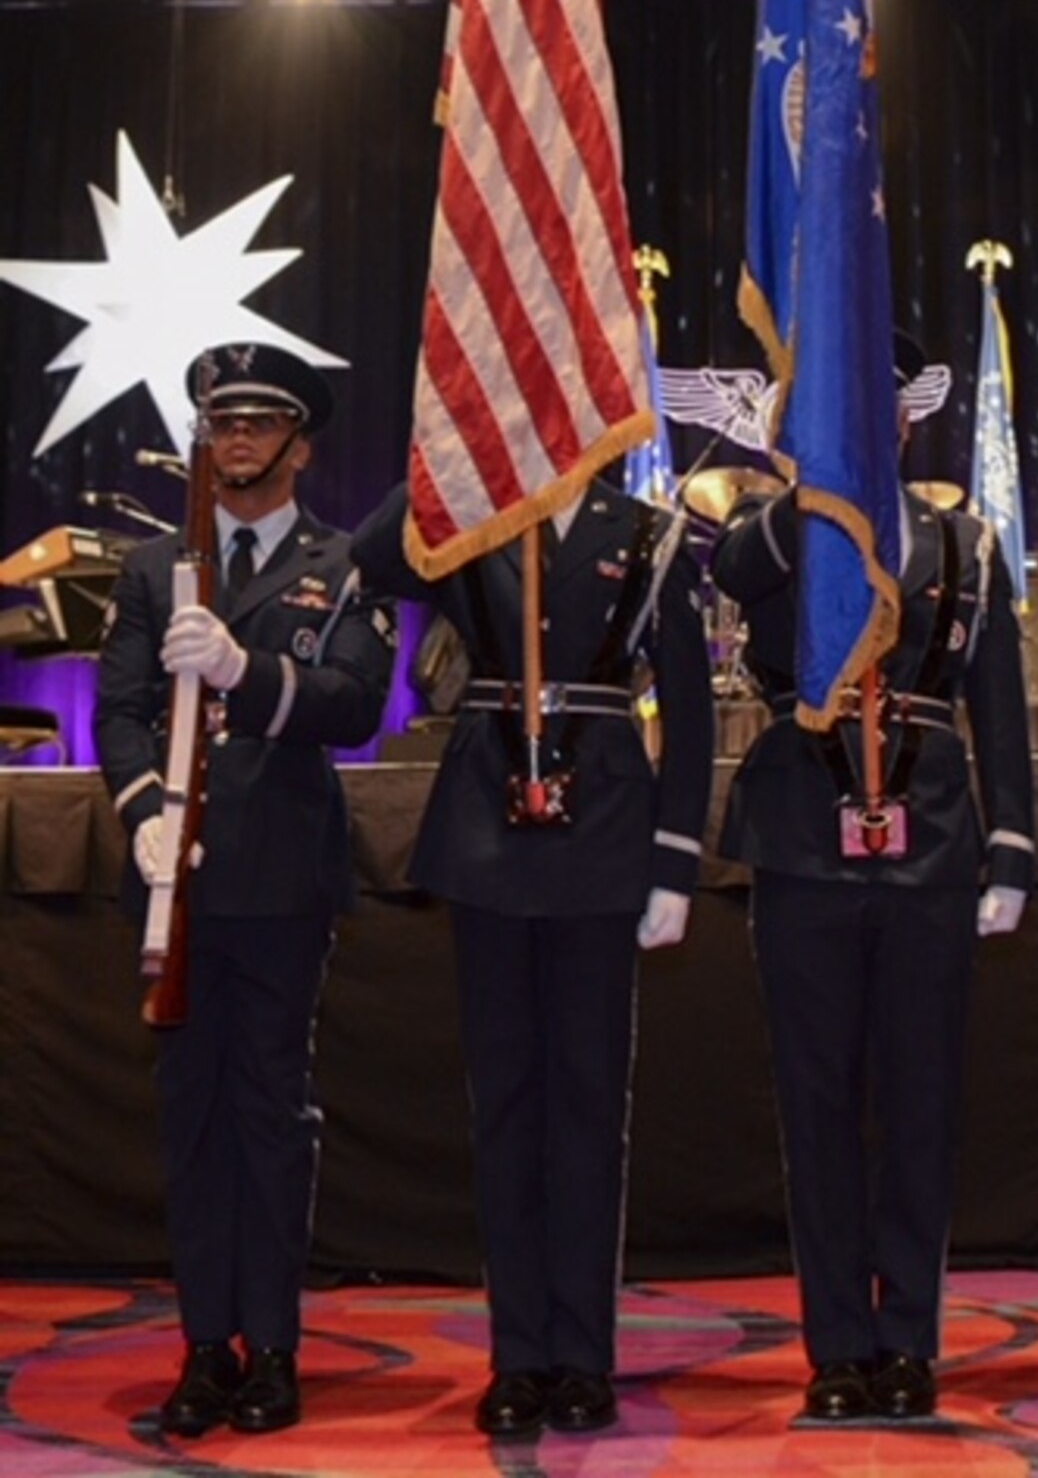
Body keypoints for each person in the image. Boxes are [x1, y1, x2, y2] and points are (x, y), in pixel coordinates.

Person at [711, 332, 1035, 1425]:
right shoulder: (777, 530)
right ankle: (838, 1339)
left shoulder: (962, 540)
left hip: (932, 832)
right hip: (805, 829)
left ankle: (909, 1338)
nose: (865, 425)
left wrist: (1013, 846)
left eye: (875, 408)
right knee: (817, 1103)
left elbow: (996, 705)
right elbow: (727, 573)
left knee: (920, 1101)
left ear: (906, 419)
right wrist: (805, 485)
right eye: (841, 408)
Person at [351, 473, 713, 1441]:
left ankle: (584, 1355)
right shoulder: (475, 507)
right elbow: (376, 558)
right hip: (487, 829)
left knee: (589, 1104)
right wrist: (445, 448)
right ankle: (519, 1355)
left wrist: (675, 859)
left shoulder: (648, 531)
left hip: (602, 827)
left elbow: (688, 700)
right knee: (505, 1104)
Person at [94, 343, 396, 1438]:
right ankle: (202, 1341)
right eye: (223, 420)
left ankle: (270, 1344)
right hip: (179, 886)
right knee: (192, 1119)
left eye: (262, 421)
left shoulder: (343, 561)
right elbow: (119, 708)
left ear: (299, 443)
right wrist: (143, 813)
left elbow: (357, 699)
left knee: (270, 1116)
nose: (238, 438)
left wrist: (244, 673)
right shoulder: (151, 566)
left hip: (279, 880)